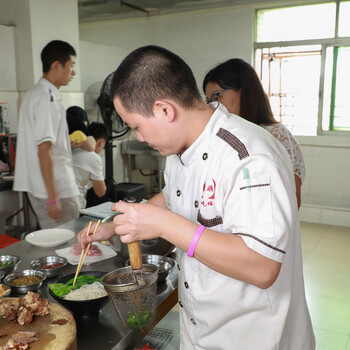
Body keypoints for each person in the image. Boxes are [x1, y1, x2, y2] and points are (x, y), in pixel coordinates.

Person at [78, 46, 315, 349]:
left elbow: (262, 266)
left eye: (137, 126)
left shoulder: (250, 157)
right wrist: (118, 224)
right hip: (202, 328)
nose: (139, 137)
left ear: (165, 110)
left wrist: (164, 225)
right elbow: (172, 196)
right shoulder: (180, 150)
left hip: (253, 337)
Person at [203, 58, 305, 209]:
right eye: (208, 100)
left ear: (243, 90)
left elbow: (291, 202)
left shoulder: (276, 135)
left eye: (217, 95)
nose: (213, 106)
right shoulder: (221, 137)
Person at [13, 40, 80, 229]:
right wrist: (52, 198)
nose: (73, 72)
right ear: (57, 65)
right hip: (56, 187)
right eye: (71, 66)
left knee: (56, 241)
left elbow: (44, 142)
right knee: (68, 241)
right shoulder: (46, 98)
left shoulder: (35, 93)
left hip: (43, 185)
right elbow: (43, 150)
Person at [66, 110, 107, 209]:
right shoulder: (92, 157)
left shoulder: (58, 151)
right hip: (74, 207)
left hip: (50, 204)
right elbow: (101, 192)